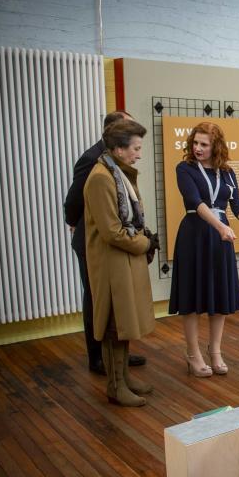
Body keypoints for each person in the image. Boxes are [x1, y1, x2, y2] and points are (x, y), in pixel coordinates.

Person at [169, 122, 239, 376]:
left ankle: (215, 351)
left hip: (220, 241)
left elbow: (238, 205)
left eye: (204, 144)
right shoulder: (185, 168)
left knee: (219, 296)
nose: (198, 148)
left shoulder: (228, 173)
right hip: (195, 236)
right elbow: (195, 202)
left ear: (216, 146)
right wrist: (219, 227)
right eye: (195, 143)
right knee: (191, 298)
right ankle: (193, 353)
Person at [64, 111, 147, 374]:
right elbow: (75, 201)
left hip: (116, 241)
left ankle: (118, 361)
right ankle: (100, 359)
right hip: (96, 243)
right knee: (99, 302)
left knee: (118, 304)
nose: (138, 152)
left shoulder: (115, 165)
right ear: (116, 136)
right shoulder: (93, 162)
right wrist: (77, 221)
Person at [84, 120, 159, 406]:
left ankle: (124, 377)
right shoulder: (101, 178)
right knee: (115, 324)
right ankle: (115, 386)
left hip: (123, 260)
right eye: (136, 148)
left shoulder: (116, 173)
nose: (139, 154)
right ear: (118, 149)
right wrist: (144, 243)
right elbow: (112, 231)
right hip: (112, 264)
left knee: (124, 323)